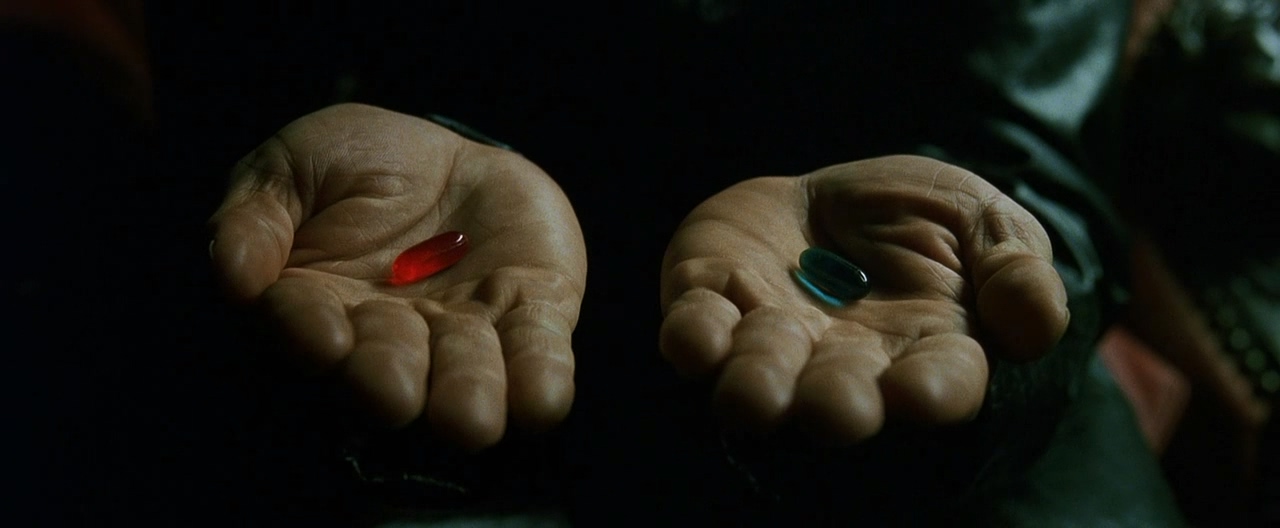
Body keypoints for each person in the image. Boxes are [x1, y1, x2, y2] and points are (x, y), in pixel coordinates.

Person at [7, 0, 1226, 525]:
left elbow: (1032, 159)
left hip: (901, 323)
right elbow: (250, 73)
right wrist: (306, 143)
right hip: (454, 297)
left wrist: (973, 252)